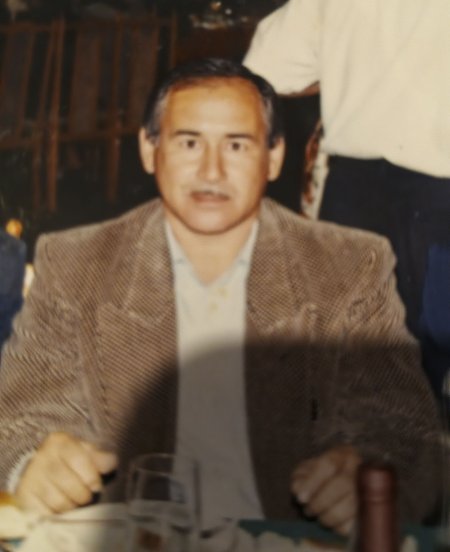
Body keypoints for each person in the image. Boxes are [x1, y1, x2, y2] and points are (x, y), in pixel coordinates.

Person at [0, 59, 442, 535]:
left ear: (274, 157)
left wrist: (365, 473)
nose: (211, 171)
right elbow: (23, 413)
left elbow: (402, 431)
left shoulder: (347, 266)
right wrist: (33, 464)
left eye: (237, 145)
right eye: (189, 143)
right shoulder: (77, 262)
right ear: (149, 149)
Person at [243, 0, 450, 357]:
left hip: (353, 196)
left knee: (357, 352)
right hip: (439, 200)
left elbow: (265, 73)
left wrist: (346, 78)